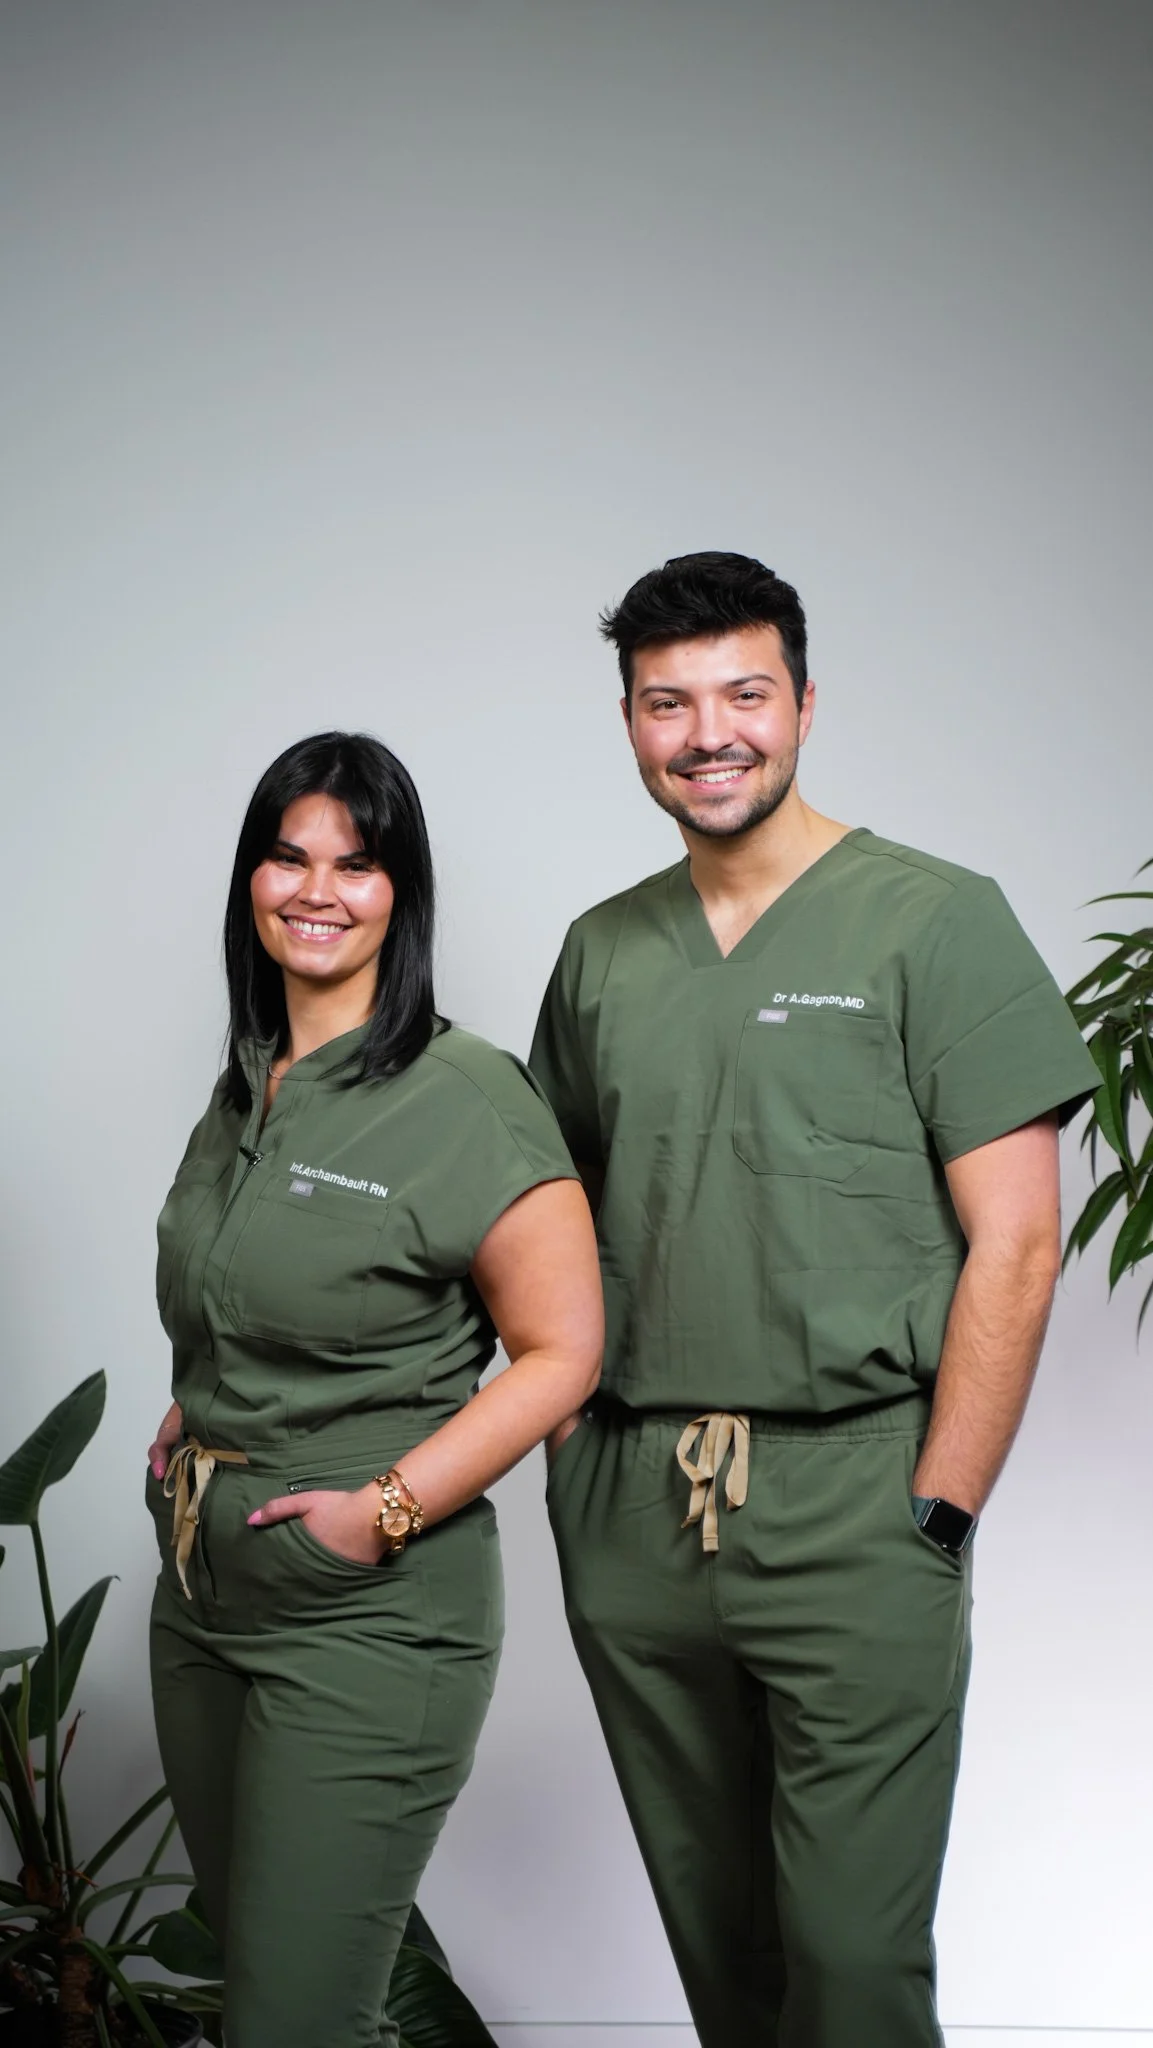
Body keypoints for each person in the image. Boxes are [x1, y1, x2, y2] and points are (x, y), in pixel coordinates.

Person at [529, 552, 1099, 2048]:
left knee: (851, 1962)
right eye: (668, 702)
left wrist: (943, 1511)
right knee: (729, 1958)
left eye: (742, 693)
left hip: (860, 1503)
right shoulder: (601, 953)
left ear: (803, 704)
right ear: (631, 722)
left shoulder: (934, 922)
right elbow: (534, 1232)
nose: (707, 732)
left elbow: (1020, 1248)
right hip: (635, 1509)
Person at [147, 729, 601, 2048]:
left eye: (357, 862)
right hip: (204, 1606)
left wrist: (384, 1510)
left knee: (295, 2023)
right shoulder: (247, 1086)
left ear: (403, 893)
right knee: (278, 1976)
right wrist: (207, 1399)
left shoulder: (469, 1098)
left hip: (366, 1622)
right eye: (288, 855)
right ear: (252, 879)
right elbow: (244, 1287)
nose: (317, 889)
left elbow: (567, 1352)